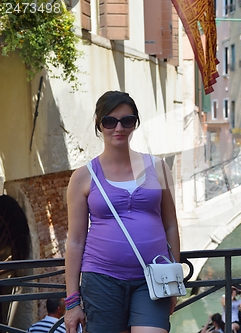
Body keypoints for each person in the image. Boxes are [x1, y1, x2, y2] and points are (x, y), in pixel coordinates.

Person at [65, 91, 181, 333]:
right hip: (102, 279)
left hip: (153, 278)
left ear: (135, 124)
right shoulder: (84, 177)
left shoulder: (157, 168)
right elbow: (75, 241)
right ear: (99, 125)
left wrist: (173, 280)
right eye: (110, 121)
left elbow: (170, 225)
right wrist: (72, 301)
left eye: (127, 120)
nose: (118, 127)